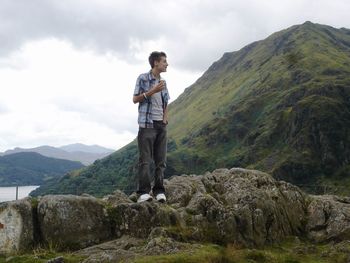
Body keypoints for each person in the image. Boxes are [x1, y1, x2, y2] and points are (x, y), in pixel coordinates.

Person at [133, 51, 170, 203]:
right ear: (156, 63)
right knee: (145, 160)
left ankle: (159, 191)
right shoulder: (143, 78)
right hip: (147, 124)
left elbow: (166, 101)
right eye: (164, 61)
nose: (167, 64)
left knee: (161, 160)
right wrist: (152, 91)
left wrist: (165, 117)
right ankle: (143, 193)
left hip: (161, 125)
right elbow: (135, 99)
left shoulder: (163, 81)